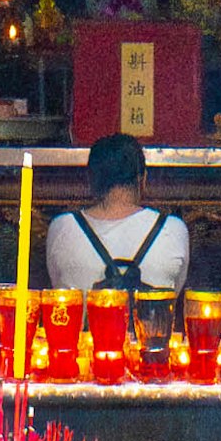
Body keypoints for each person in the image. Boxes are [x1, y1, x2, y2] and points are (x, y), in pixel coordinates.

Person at [44, 128, 189, 307]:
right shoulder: (173, 229)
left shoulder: (62, 228)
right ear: (142, 179)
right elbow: (173, 295)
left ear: (91, 180)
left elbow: (58, 288)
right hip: (151, 335)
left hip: (82, 336)